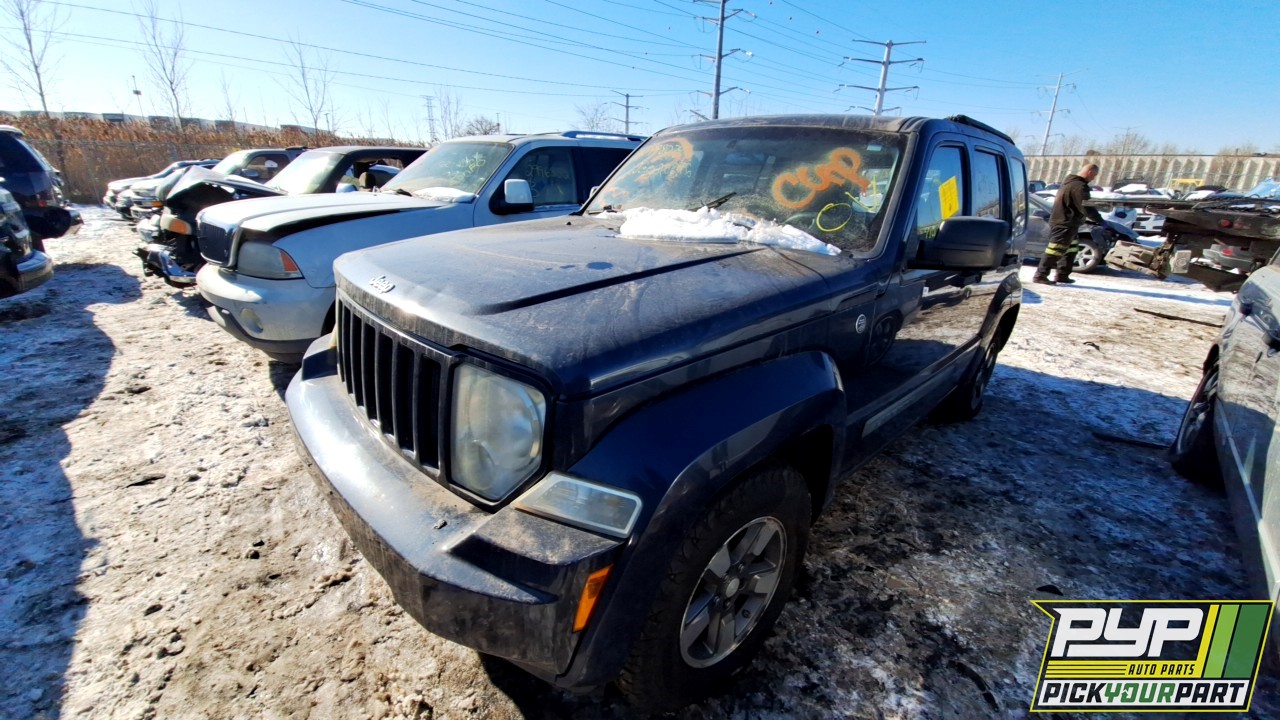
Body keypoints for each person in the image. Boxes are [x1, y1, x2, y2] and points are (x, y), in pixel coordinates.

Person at [1034, 163, 1105, 285]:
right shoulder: (1079, 187)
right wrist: (1100, 220)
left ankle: (1062, 274)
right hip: (1064, 223)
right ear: (1090, 173)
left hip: (1068, 223)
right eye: (1094, 175)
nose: (1094, 178)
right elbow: (1086, 206)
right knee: (1055, 250)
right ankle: (1040, 275)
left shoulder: (1069, 184)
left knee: (1071, 250)